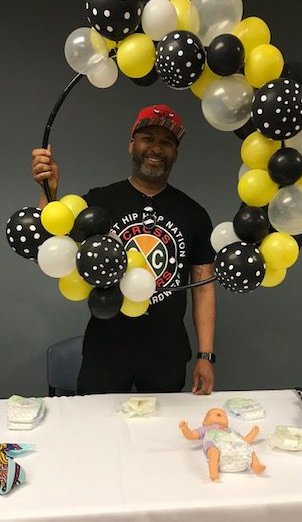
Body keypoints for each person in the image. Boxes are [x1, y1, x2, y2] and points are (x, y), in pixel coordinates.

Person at [32, 104, 216, 396]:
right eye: (147, 138)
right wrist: (48, 189)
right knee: (95, 424)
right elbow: (53, 245)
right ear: (132, 145)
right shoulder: (99, 201)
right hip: (105, 351)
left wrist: (205, 356)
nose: (156, 148)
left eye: (167, 142)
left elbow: (203, 288)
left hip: (166, 355)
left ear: (176, 153)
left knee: (163, 427)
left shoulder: (194, 214)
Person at [178, 408, 266, 481]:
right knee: (213, 452)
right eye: (213, 414)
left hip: (233, 448)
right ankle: (213, 473)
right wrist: (185, 429)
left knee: (248, 448)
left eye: (223, 415)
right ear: (204, 422)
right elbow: (191, 435)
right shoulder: (206, 428)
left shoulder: (230, 431)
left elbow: (244, 441)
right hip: (216, 444)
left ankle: (256, 466)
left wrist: (253, 433)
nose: (220, 414)